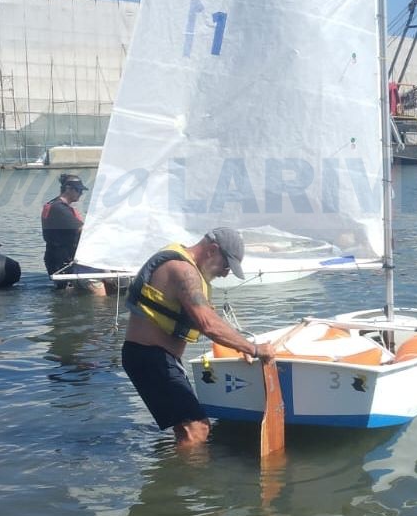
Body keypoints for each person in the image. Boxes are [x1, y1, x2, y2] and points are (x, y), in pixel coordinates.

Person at [121, 227, 276, 446]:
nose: (225, 273)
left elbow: (210, 317)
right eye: (226, 265)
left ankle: (178, 472)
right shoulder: (183, 270)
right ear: (212, 250)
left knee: (187, 428)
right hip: (149, 357)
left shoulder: (190, 270)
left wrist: (239, 345)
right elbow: (208, 324)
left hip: (157, 358)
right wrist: (256, 349)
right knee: (197, 429)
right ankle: (187, 479)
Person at [41, 173, 87, 277]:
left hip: (57, 258)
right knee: (66, 291)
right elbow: (82, 230)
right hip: (61, 261)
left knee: (65, 291)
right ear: (68, 188)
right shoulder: (59, 208)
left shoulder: (54, 204)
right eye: (78, 190)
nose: (81, 193)